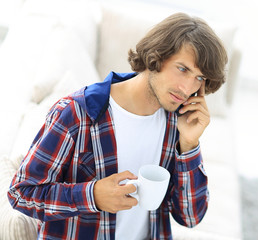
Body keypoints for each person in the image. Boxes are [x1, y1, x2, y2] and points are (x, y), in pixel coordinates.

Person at [8, 12, 228, 240]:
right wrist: (92, 196)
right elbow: (21, 193)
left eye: (199, 78)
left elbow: (191, 217)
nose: (186, 88)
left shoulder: (177, 123)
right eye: (182, 69)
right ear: (157, 57)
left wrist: (189, 145)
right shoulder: (77, 114)